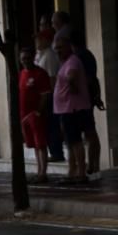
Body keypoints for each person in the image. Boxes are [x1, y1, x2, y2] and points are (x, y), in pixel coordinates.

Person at [53, 35, 92, 184]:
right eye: (56, 48)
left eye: (60, 48)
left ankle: (80, 172)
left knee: (75, 142)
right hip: (66, 109)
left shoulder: (72, 61)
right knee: (70, 142)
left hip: (72, 109)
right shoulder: (65, 62)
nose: (58, 51)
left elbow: (71, 77)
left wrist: (73, 88)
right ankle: (73, 171)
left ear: (69, 47)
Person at [71, 30, 104, 175]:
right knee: (90, 133)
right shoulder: (87, 55)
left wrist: (94, 96)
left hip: (84, 99)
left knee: (89, 133)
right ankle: (93, 164)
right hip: (88, 97)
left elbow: (90, 79)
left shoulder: (80, 57)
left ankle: (92, 165)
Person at [19, 46, 53, 184]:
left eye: (27, 58)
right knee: (33, 145)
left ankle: (43, 173)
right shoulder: (21, 74)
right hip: (23, 116)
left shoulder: (40, 74)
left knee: (41, 144)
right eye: (23, 59)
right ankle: (38, 171)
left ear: (33, 57)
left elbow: (45, 95)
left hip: (35, 115)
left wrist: (38, 112)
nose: (25, 61)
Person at [34, 32, 65, 163]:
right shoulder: (39, 55)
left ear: (46, 40)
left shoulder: (49, 56)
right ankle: (53, 151)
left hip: (49, 96)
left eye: (39, 39)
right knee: (47, 126)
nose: (37, 41)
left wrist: (49, 96)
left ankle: (57, 152)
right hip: (42, 96)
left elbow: (52, 78)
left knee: (52, 125)